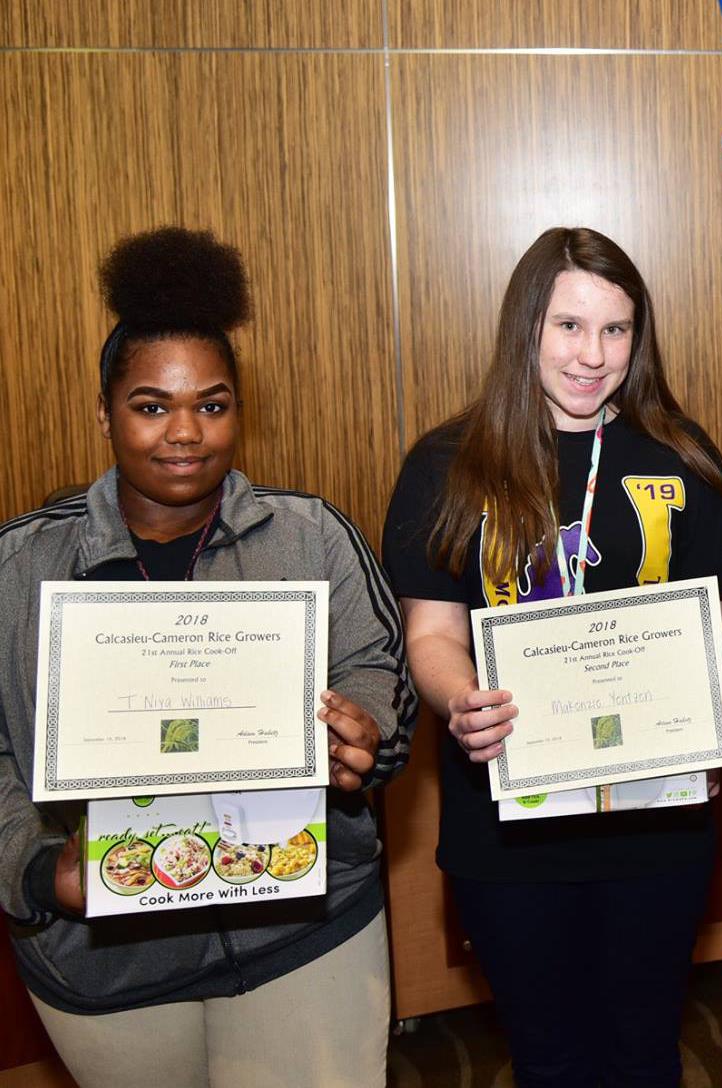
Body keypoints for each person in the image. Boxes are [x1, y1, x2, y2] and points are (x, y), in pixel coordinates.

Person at [0, 227, 415, 1087]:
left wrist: (362, 728)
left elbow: (378, 668)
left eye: (213, 404)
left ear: (239, 410)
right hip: (110, 960)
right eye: (152, 405)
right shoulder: (20, 568)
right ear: (106, 411)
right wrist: (38, 869)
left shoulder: (312, 537)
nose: (185, 432)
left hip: (306, 926)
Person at [383, 226, 722, 1088]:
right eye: (568, 327)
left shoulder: (680, 455)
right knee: (549, 1057)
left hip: (654, 816)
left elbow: (719, 623)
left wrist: (708, 716)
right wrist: (461, 700)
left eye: (615, 330)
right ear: (525, 330)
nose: (592, 354)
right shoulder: (448, 463)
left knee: (646, 1050)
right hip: (509, 820)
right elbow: (431, 634)